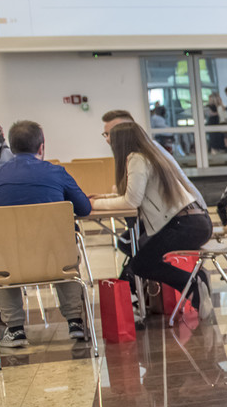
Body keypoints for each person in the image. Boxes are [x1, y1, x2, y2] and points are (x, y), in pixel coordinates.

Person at [0, 119, 92, 347]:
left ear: (12, 148)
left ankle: (15, 329)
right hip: (55, 257)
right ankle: (75, 322)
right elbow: (84, 208)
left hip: (9, 260)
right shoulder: (58, 173)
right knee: (64, 253)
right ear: (41, 147)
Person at [89, 121, 213, 317]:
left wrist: (94, 205)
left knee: (141, 263)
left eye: (109, 137)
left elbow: (131, 201)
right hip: (193, 222)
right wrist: (101, 198)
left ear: (121, 142)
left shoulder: (136, 159)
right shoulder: (149, 155)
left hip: (184, 226)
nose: (108, 142)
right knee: (130, 246)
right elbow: (133, 195)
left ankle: (194, 283)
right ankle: (189, 284)